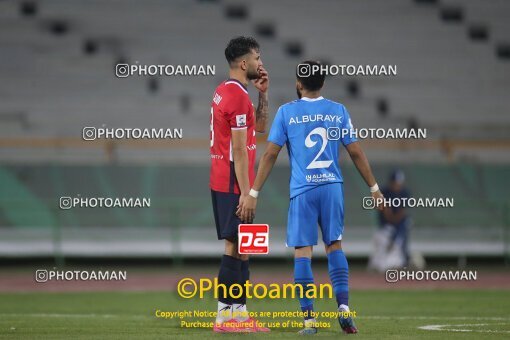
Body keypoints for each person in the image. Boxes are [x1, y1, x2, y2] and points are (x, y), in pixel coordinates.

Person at [237, 60, 383, 335]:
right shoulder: (338, 111)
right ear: (323, 83)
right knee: (334, 246)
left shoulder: (287, 112)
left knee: (303, 253)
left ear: (298, 84)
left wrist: (254, 192)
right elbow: (355, 152)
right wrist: (374, 188)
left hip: (303, 190)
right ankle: (343, 308)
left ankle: (309, 322)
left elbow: (270, 154)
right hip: (331, 188)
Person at [209, 36, 270, 333]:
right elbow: (238, 151)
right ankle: (224, 317)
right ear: (244, 63)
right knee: (235, 246)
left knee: (243, 247)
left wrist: (263, 96)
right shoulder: (235, 97)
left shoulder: (227, 91)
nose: (261, 64)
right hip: (233, 182)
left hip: (228, 180)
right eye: (257, 58)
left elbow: (257, 129)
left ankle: (240, 316)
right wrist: (248, 193)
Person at [368, 169, 411, 271]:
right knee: (381, 251)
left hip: (398, 226)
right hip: (385, 227)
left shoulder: (404, 193)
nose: (398, 186)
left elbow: (402, 212)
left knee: (397, 249)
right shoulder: (385, 192)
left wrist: (396, 223)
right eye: (396, 183)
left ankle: (404, 261)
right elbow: (386, 212)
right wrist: (392, 220)